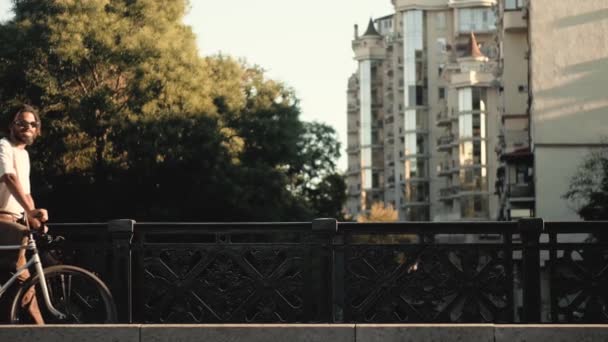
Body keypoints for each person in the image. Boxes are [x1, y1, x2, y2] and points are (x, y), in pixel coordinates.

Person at [0, 104, 48, 324]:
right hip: (3, 219)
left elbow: (25, 194)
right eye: (21, 123)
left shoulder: (25, 155)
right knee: (23, 279)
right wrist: (30, 212)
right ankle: (40, 331)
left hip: (16, 221)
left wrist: (35, 218)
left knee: (20, 280)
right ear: (12, 126)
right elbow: (9, 179)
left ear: (37, 129)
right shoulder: (4, 146)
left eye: (32, 124)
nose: (27, 127)